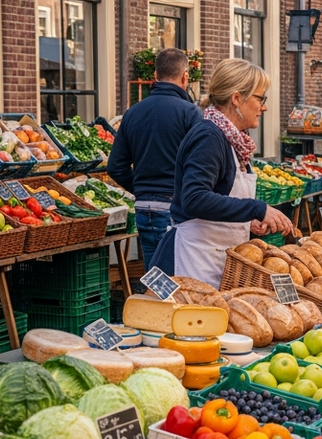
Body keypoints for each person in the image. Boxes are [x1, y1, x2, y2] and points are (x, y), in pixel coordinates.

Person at [162, 58, 294, 288]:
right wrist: (256, 208)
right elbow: (195, 198)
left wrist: (247, 220)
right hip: (195, 260)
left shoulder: (233, 140)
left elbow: (219, 197)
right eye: (260, 98)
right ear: (236, 98)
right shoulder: (209, 137)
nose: (264, 107)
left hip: (215, 257)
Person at [107, 48, 201, 270]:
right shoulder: (190, 113)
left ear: (155, 76)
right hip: (176, 210)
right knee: (178, 281)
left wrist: (142, 188)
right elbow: (200, 166)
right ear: (185, 76)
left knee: (155, 279)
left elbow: (115, 167)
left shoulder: (132, 113)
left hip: (144, 209)